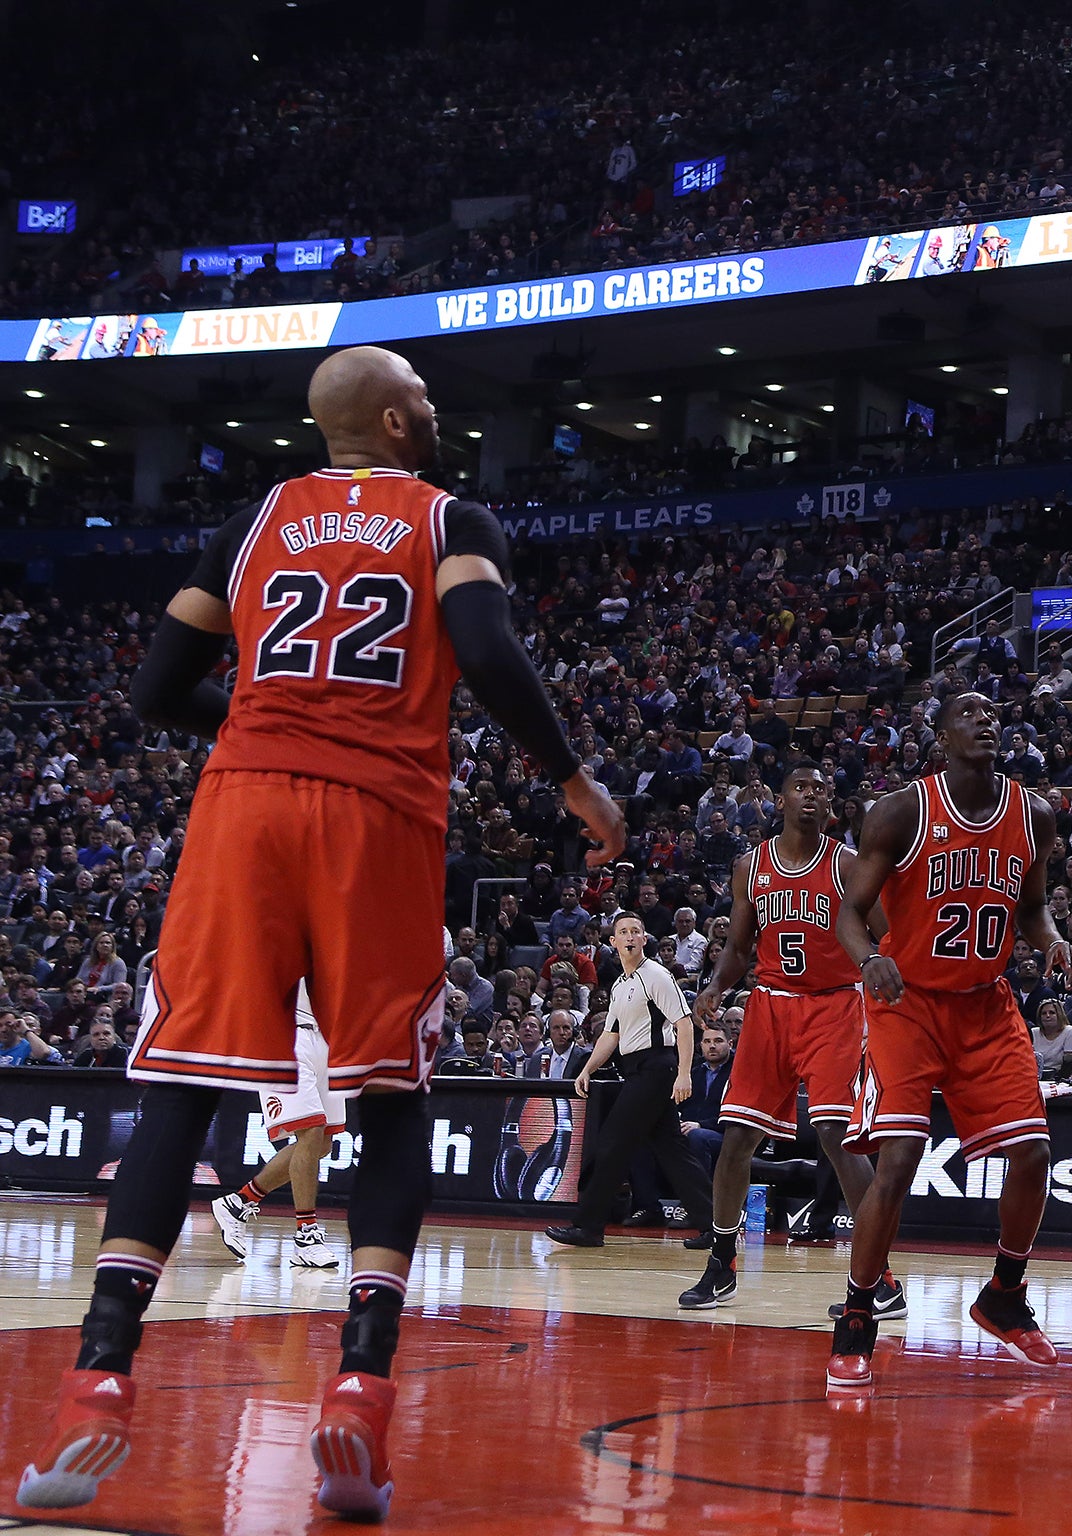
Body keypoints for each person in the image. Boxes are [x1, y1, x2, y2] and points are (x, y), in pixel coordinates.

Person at [16, 345, 625, 1520]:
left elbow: (155, 689)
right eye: (431, 404)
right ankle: (358, 1388)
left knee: (182, 1083)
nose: (440, 416)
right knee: (391, 1093)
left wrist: (256, 722)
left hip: (241, 807)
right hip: (377, 821)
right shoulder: (450, 515)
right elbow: (489, 653)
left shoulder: (254, 521)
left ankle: (94, 1386)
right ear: (397, 423)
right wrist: (569, 780)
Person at [826, 692, 1072, 1391]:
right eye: (969, 713)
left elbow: (1030, 909)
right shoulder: (902, 811)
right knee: (900, 1159)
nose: (987, 719)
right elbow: (849, 913)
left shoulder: (1035, 815)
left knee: (1033, 1155)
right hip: (908, 1002)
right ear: (941, 736)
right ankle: (856, 1314)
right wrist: (868, 956)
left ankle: (1004, 1295)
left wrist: (1052, 939)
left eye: (993, 712)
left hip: (985, 1007)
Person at [677, 762, 880, 1312]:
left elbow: (884, 935)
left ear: (831, 803)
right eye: (800, 786)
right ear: (778, 799)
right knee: (737, 1137)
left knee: (838, 1136)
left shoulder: (848, 865)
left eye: (820, 788)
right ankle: (721, 1263)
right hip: (768, 1008)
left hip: (834, 1007)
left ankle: (878, 1277)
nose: (810, 795)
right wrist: (716, 985)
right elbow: (740, 947)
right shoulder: (751, 866)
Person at [545, 916, 696, 1248]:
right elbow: (610, 1035)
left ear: (644, 938)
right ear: (612, 942)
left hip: (657, 1066)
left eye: (634, 932)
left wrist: (684, 1073)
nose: (629, 937)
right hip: (637, 1068)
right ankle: (715, 1223)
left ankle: (588, 1226)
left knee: (612, 1143)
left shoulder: (656, 975)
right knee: (672, 1151)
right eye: (622, 932)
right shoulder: (620, 984)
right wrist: (587, 1069)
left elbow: (684, 1024)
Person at [209, 985, 344, 1270]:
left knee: (322, 1143)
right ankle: (307, 1236)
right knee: (311, 1130)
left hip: (330, 1039)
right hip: (288, 1036)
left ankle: (238, 1202)